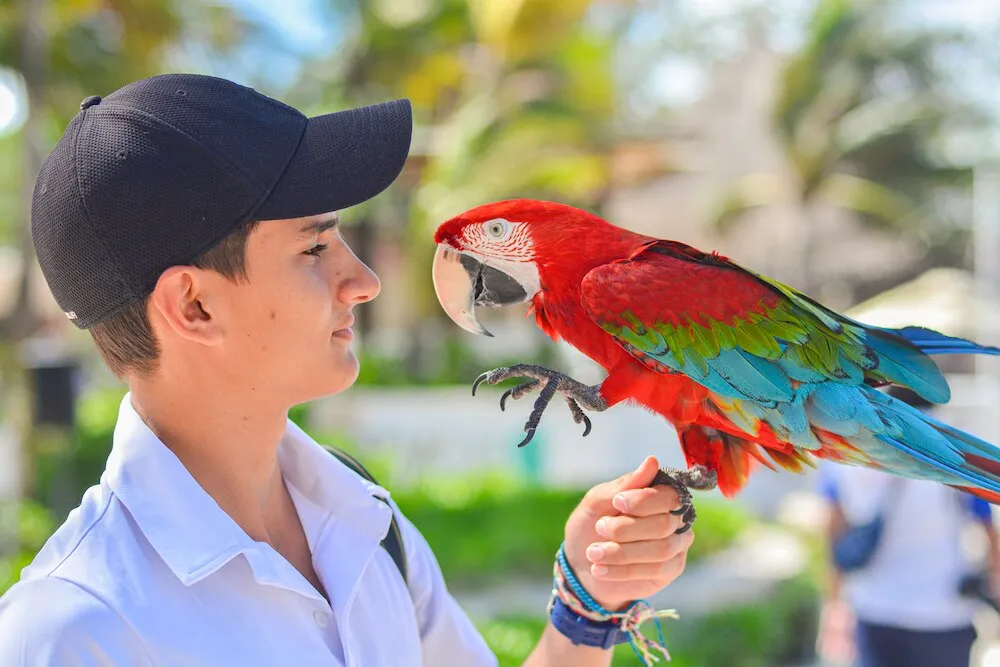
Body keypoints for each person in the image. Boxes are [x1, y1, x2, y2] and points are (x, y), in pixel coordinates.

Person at [0, 73, 694, 666]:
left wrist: (585, 600)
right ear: (194, 305)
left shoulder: (363, 517)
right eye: (313, 248)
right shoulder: (74, 633)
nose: (362, 280)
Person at [816, 386, 1000, 667]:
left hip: (875, 609)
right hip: (943, 612)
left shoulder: (845, 451)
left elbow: (833, 535)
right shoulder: (955, 454)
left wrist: (833, 605)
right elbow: (988, 530)